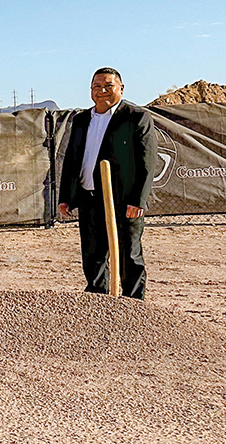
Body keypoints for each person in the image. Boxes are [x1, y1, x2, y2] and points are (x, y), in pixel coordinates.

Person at [57, 68, 158, 299]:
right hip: (89, 196)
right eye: (96, 86)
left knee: (127, 253)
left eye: (108, 86)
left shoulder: (136, 117)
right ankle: (97, 299)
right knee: (93, 253)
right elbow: (73, 158)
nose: (102, 91)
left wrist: (138, 199)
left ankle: (133, 302)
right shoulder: (81, 119)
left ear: (121, 88)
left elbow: (147, 161)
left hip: (123, 199)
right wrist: (66, 197)